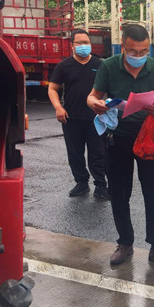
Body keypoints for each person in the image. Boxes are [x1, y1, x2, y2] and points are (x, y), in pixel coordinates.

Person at [86, 24, 154, 269]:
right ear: (123, 47)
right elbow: (93, 95)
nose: (139, 56)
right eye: (134, 51)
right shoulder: (108, 66)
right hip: (118, 138)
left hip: (149, 137)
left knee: (152, 194)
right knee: (119, 194)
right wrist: (95, 104)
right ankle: (124, 243)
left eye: (144, 51)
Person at [48, 28, 109, 199]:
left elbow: (110, 88)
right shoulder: (64, 66)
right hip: (71, 118)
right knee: (75, 153)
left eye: (86, 42)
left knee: (98, 153)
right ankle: (81, 183)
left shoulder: (100, 65)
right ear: (72, 46)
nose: (83, 45)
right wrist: (58, 107)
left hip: (96, 118)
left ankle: (101, 185)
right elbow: (52, 89)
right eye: (79, 43)